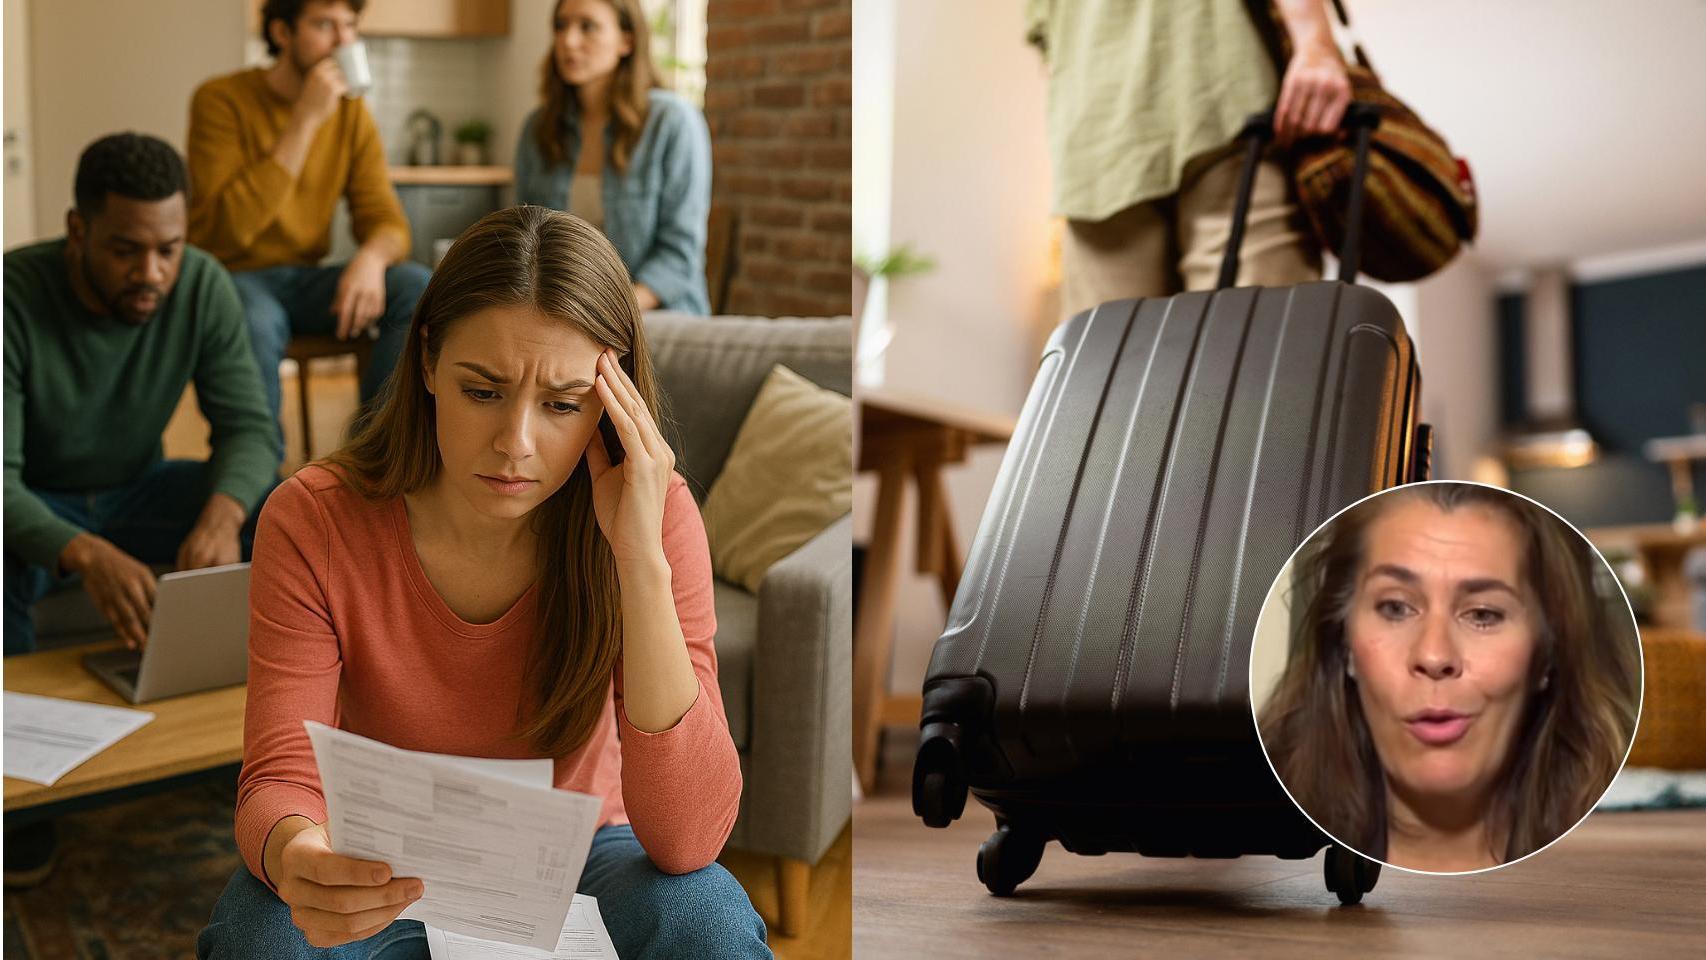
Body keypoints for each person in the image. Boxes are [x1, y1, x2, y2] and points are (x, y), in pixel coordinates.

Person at [195, 206, 768, 959]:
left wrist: (639, 557)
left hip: (583, 854)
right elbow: (280, 775)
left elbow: (689, 838)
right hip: (377, 853)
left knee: (711, 923)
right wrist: (300, 857)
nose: (516, 444)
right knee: (258, 937)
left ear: (611, 399)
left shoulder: (653, 518)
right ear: (428, 360)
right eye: (483, 391)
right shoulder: (314, 519)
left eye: (563, 405)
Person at [3, 132, 278, 886]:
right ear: (77, 230)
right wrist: (81, 551)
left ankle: (260, 742)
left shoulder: (203, 285)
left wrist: (221, 514)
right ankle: (20, 802)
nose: (152, 272)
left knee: (281, 510)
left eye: (169, 248)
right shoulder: (13, 295)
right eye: (127, 250)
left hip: (135, 486)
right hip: (37, 497)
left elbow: (250, 429)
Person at [1258, 483, 1641, 873]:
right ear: (1344, 645)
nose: (1435, 656)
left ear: (1545, 657)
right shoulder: (1259, 839)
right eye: (1395, 607)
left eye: (1483, 614)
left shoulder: (1620, 850)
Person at [186, 0, 431, 439]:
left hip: (306, 281)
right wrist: (305, 120)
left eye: (350, 25)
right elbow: (230, 229)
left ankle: (373, 454)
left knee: (416, 285)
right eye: (324, 25)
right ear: (282, 33)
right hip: (235, 276)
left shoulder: (352, 113)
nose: (343, 41)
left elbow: (387, 219)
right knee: (251, 316)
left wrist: (372, 259)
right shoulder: (219, 100)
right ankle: (259, 478)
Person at [1026, 0, 1353, 317]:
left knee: (1253, 352)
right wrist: (1315, 46)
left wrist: (1316, 47)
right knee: (1247, 354)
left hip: (1219, 125)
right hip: (1122, 145)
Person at [514, 0, 712, 315]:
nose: (568, 40)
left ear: (627, 41)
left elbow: (679, 255)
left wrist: (607, 315)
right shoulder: (539, 128)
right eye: (561, 26)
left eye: (588, 26)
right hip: (564, 315)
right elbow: (523, 236)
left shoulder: (672, 122)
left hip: (655, 316)